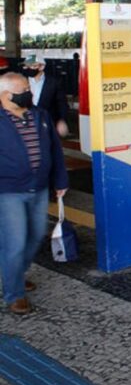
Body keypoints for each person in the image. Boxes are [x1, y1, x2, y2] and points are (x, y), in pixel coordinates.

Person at [0, 72, 68, 314]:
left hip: (39, 188)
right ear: (7, 96)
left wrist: (60, 180)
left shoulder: (40, 115)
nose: (29, 93)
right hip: (8, 191)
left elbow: (55, 150)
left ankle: (15, 272)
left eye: (29, 88)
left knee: (36, 235)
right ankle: (14, 293)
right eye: (23, 90)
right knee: (15, 242)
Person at [24, 61, 70, 138]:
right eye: (26, 66)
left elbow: (61, 103)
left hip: (46, 124)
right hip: (26, 122)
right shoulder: (21, 80)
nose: (28, 68)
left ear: (42, 67)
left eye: (32, 66)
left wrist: (62, 120)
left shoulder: (54, 82)